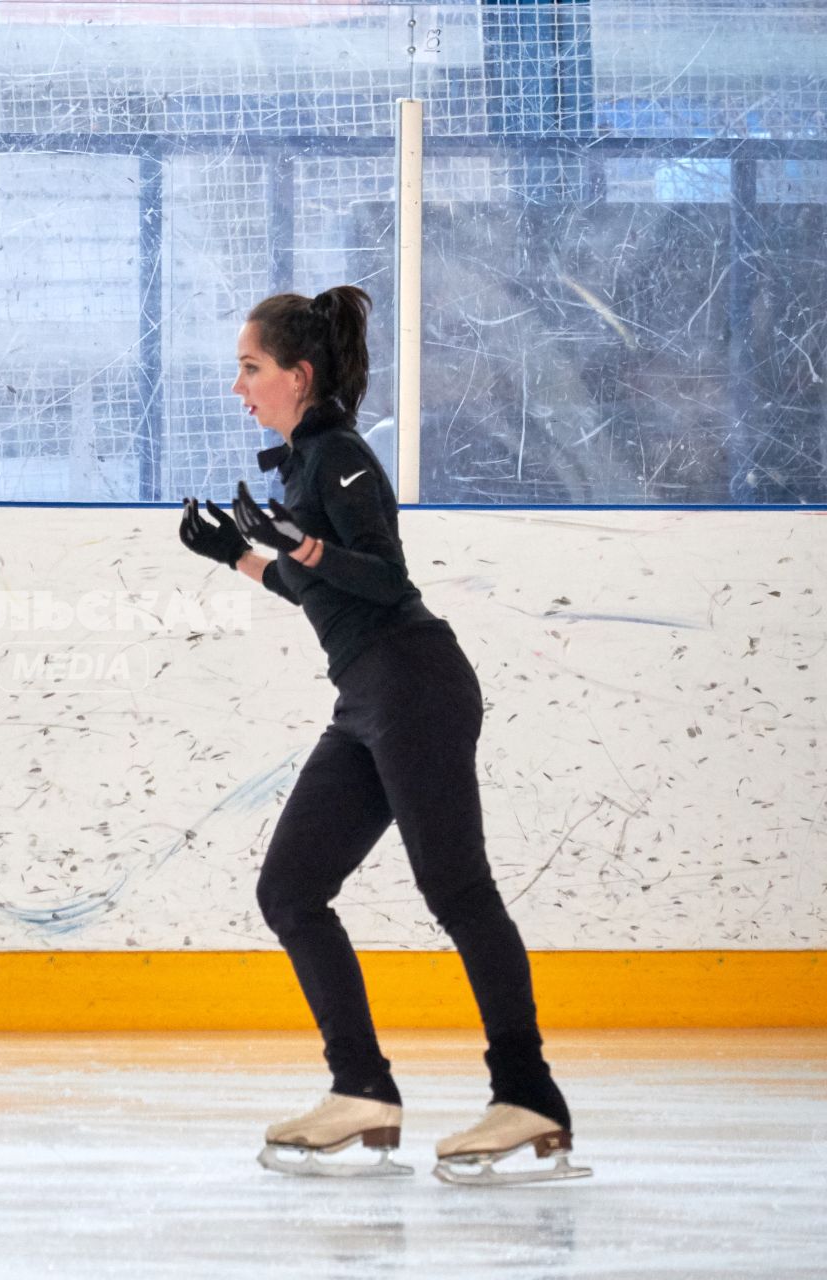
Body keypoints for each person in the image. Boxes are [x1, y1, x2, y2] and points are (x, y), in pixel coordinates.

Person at [177, 285, 588, 1186]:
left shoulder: (341, 456)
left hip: (416, 685)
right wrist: (242, 557)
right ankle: (361, 1086)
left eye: (251, 369)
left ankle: (530, 1095)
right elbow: (317, 588)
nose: (239, 387)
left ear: (299, 374)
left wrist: (306, 546)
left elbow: (380, 575)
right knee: (290, 890)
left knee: (458, 891)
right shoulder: (299, 469)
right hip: (366, 700)